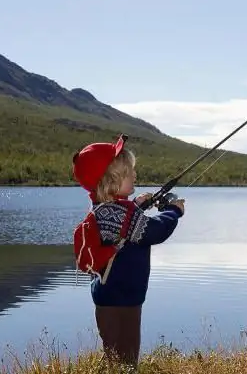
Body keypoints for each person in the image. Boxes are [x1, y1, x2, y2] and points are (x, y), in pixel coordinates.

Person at [71, 134, 185, 369]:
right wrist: (174, 211)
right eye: (128, 172)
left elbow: (126, 222)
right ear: (111, 182)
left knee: (116, 355)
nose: (134, 175)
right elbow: (154, 231)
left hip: (111, 296)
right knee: (126, 359)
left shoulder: (106, 208)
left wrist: (138, 204)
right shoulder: (118, 213)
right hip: (122, 299)